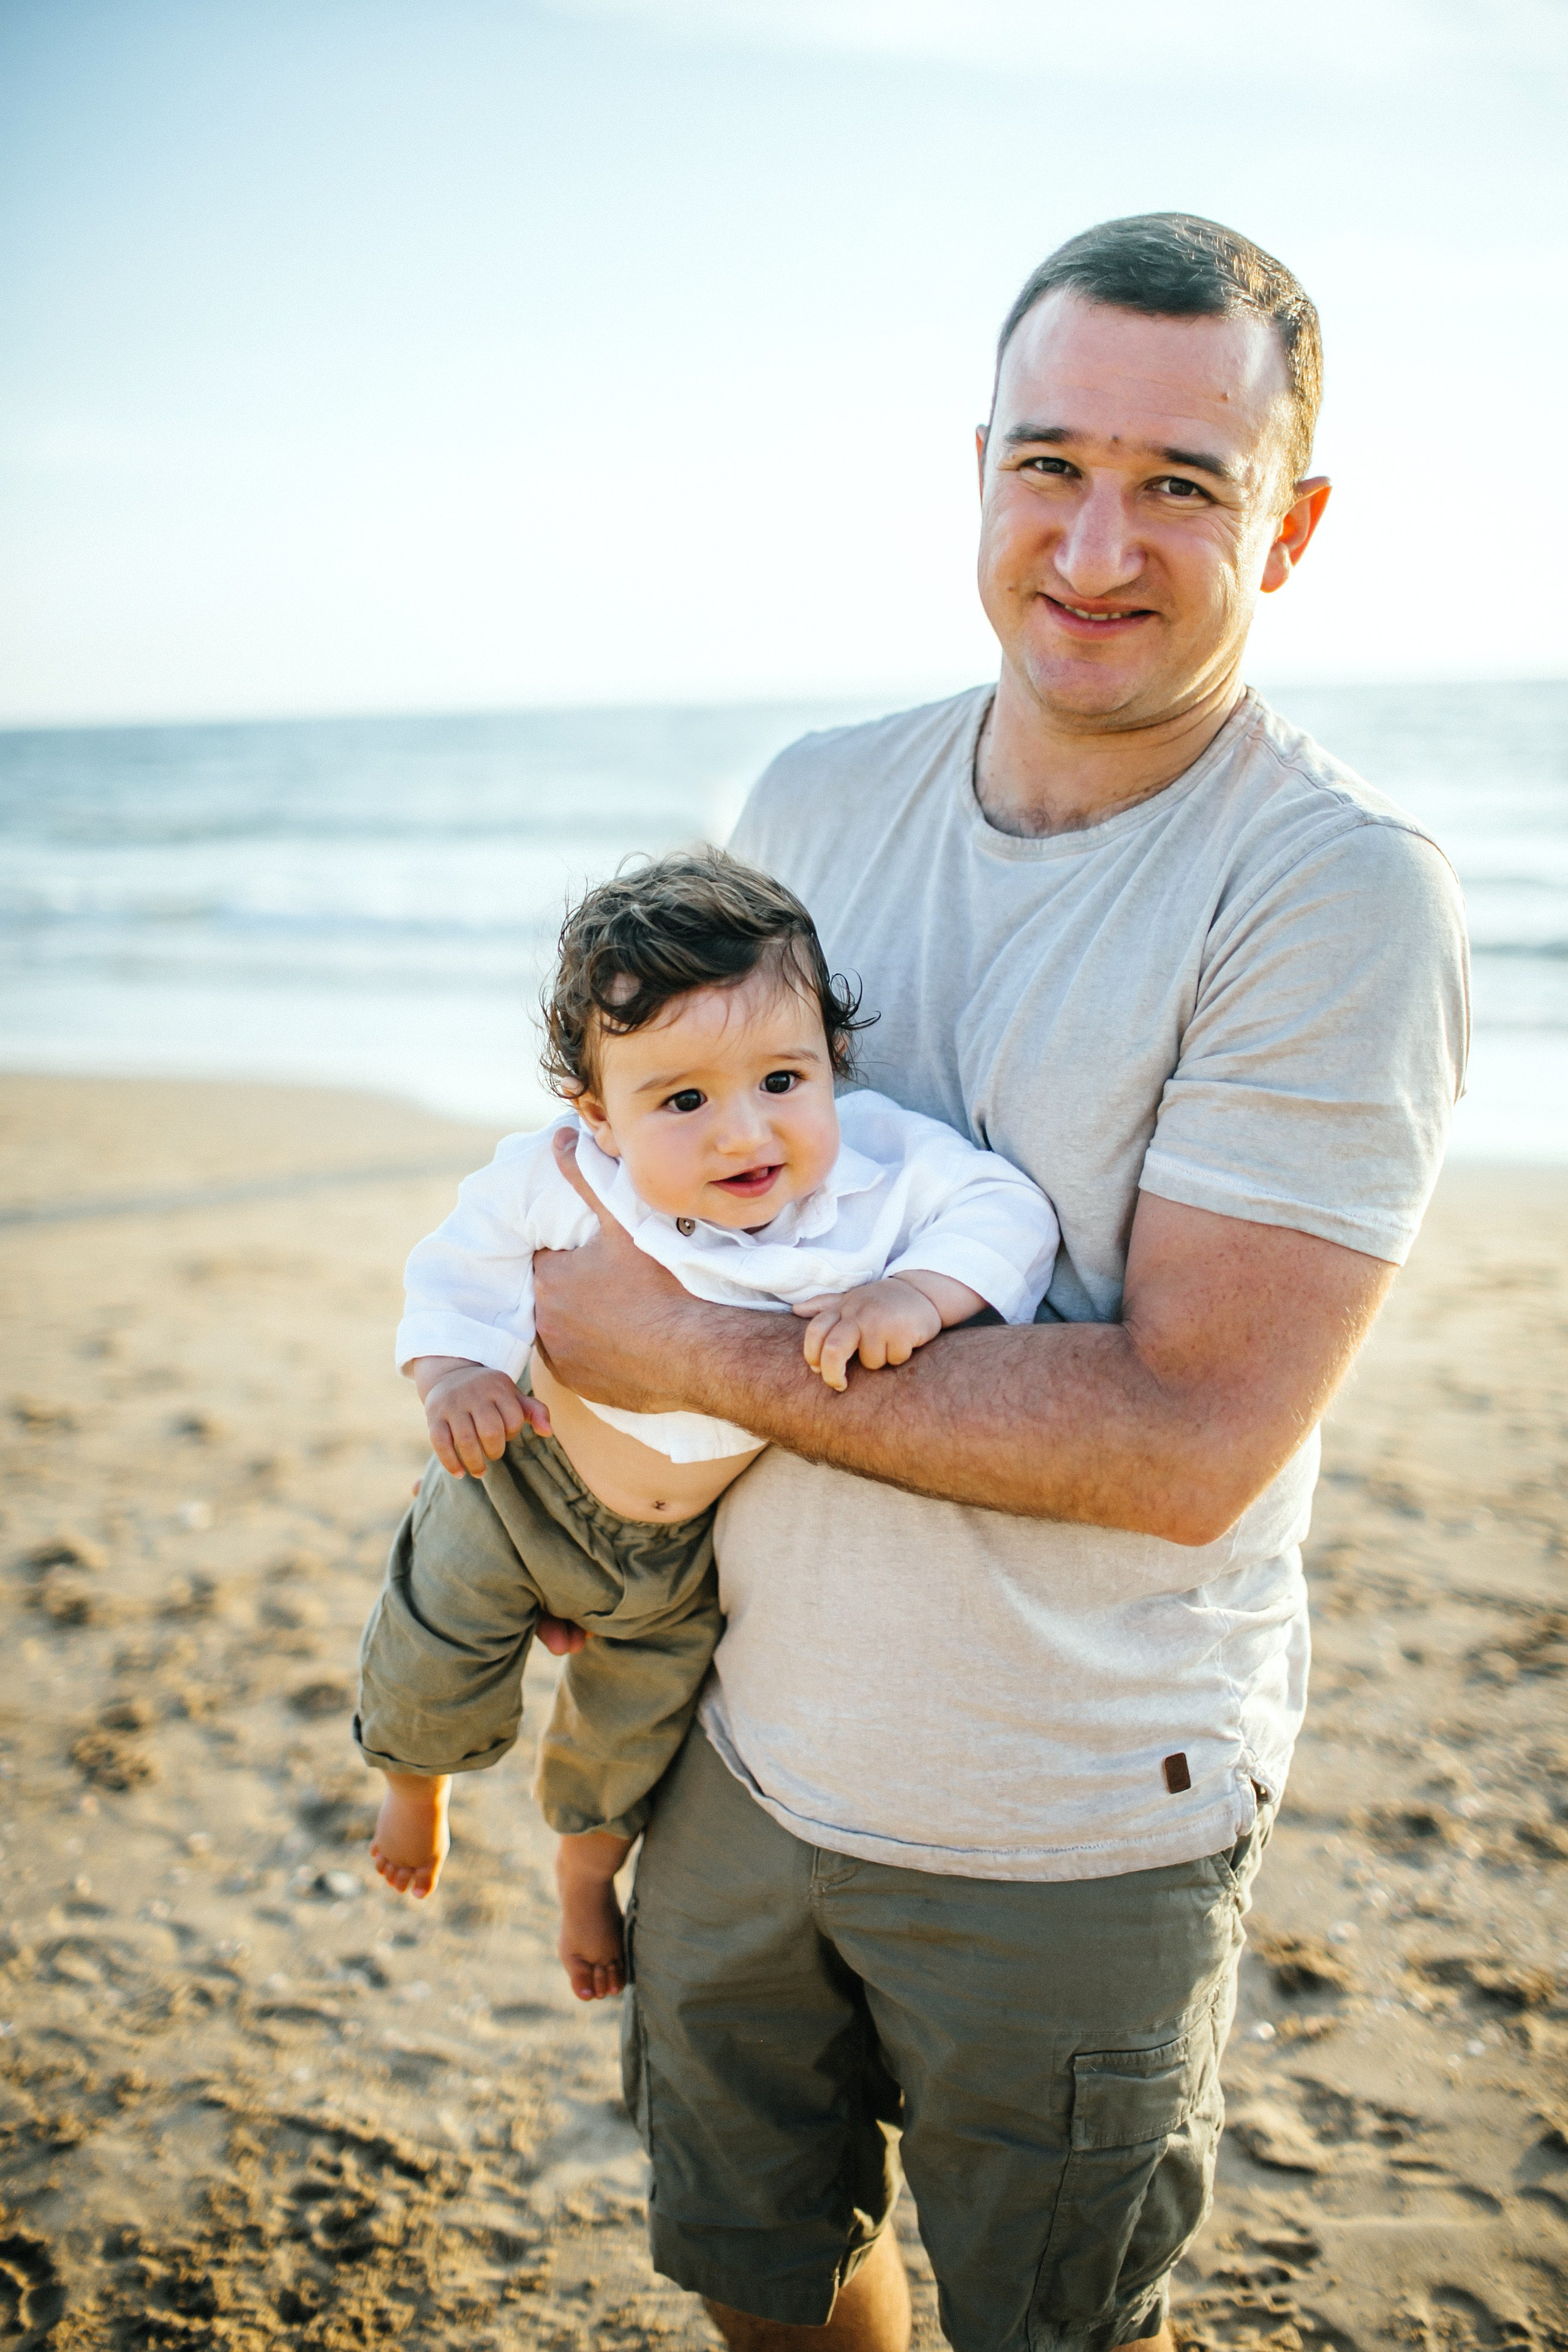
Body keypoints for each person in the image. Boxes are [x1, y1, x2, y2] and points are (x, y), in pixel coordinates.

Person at [526, 214, 1471, 2352]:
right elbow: (640, 1174)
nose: (1097, 543)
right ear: (977, 468)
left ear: (1293, 526)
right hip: (739, 1760)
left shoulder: (1334, 896)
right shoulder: (807, 800)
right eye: (1050, 463)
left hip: (1067, 1825)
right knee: (775, 2279)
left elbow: (1184, 1440)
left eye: (1184, 484)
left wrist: (677, 1349)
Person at [353, 850, 1059, 2000]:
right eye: (682, 1101)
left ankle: (586, 1872)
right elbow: (457, 1267)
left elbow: (1008, 1208)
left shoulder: (881, 1170)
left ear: (834, 1060)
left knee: (632, 1727)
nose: (744, 1135)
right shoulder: (566, 1175)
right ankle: (414, 1779)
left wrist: (915, 1294)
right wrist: (449, 1379)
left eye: (782, 1080)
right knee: (439, 1628)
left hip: (680, 1560)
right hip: (523, 1479)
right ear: (600, 1116)